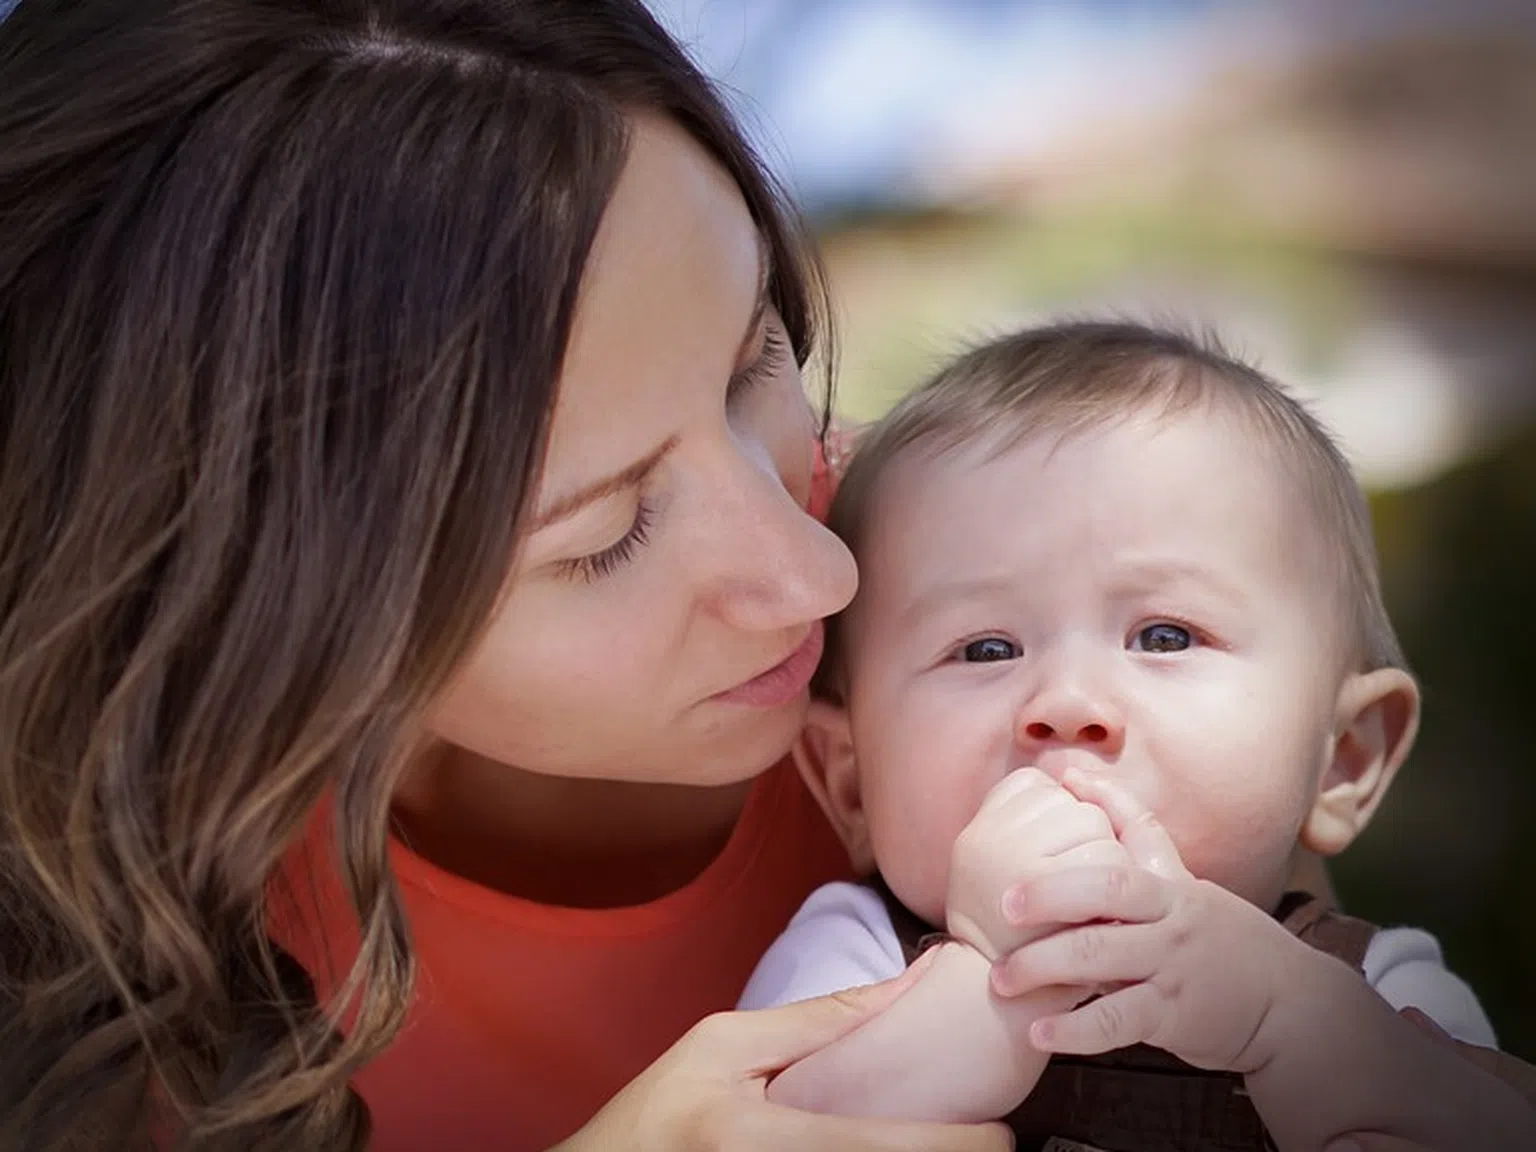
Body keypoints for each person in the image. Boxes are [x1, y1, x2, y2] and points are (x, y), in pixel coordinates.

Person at [0, 2, 1516, 1149]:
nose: (816, 569)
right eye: (601, 536)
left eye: (756, 362)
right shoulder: (101, 947)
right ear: (272, 636)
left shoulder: (997, 573)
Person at [739, 323, 1536, 1150]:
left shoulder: (1378, 986)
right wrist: (988, 986)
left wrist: (1288, 1028)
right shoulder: (854, 957)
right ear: (852, 781)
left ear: (1342, 759)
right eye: (985, 649)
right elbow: (753, 1132)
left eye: (1164, 636)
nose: (1068, 701)